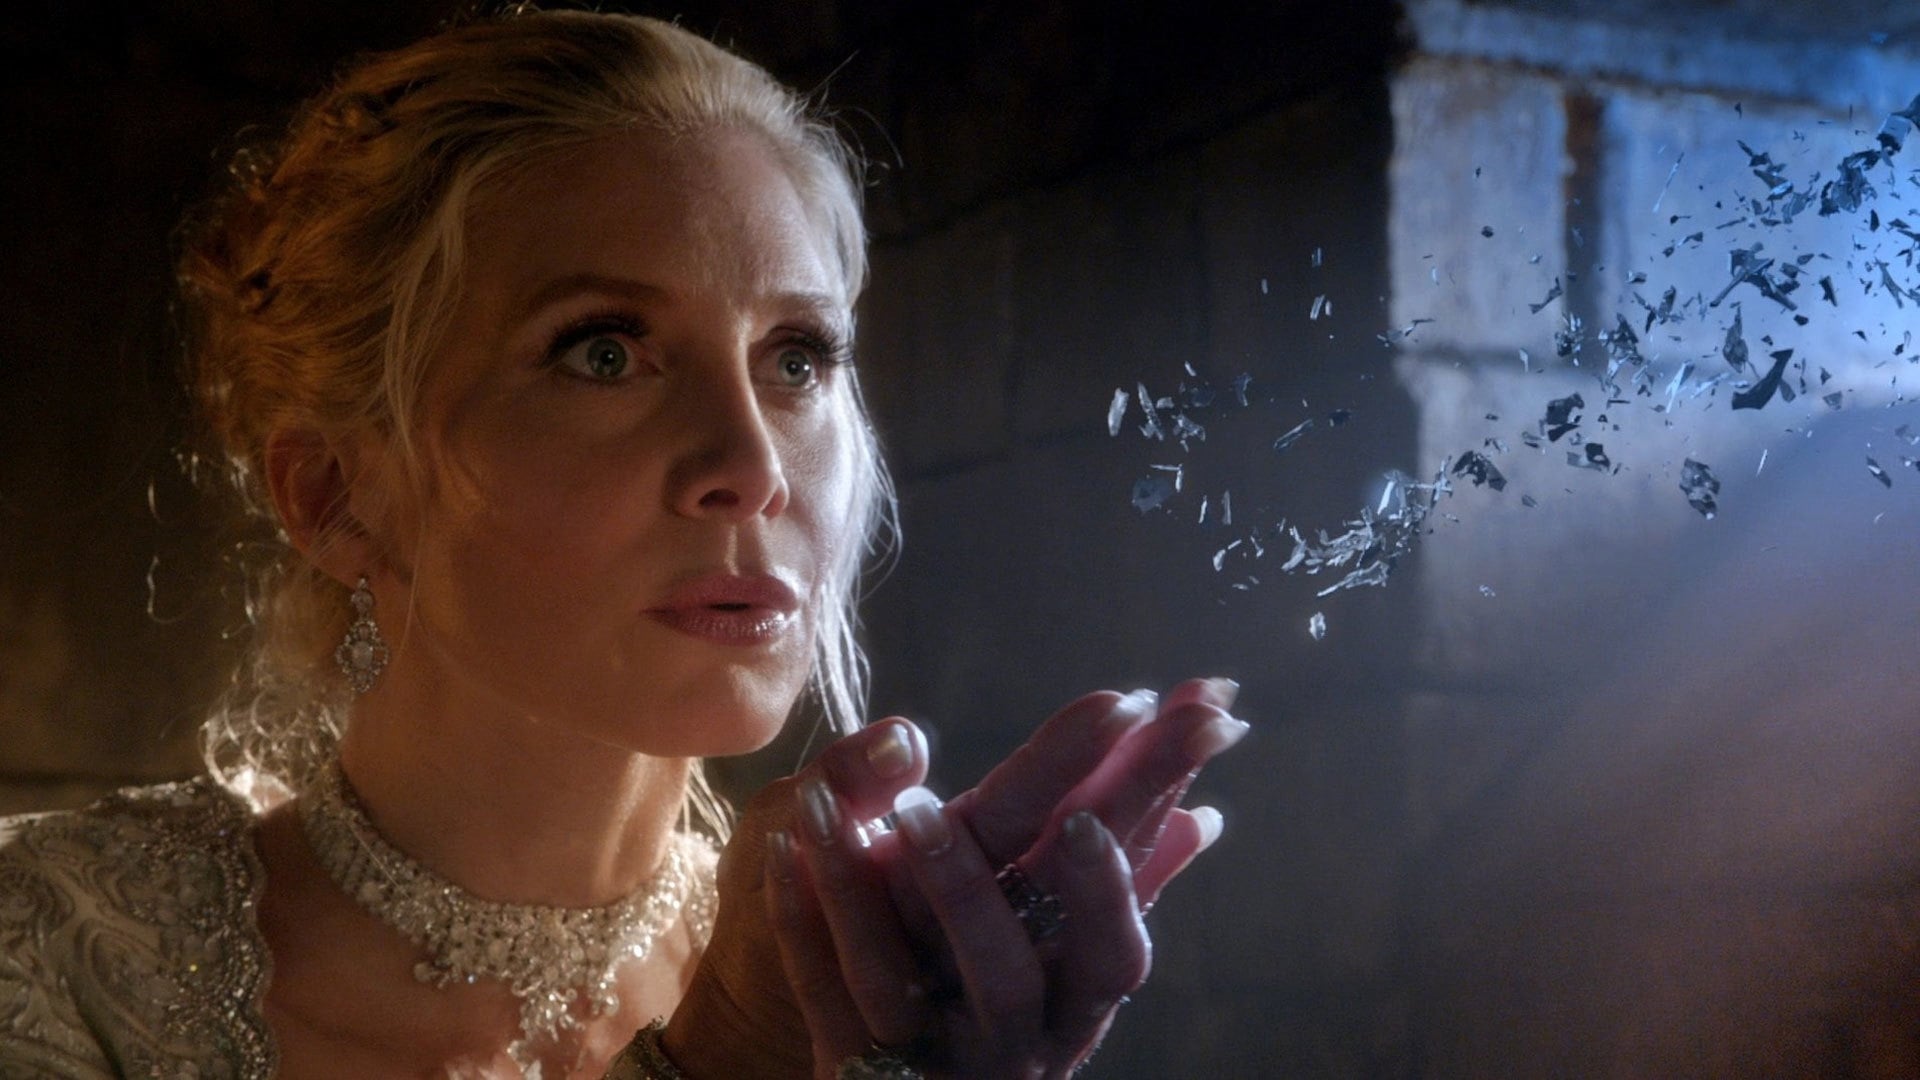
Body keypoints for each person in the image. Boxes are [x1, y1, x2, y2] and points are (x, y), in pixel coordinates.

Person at [0, 9, 1246, 1078]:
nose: (751, 465)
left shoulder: (879, 986)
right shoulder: (51, 947)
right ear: (334, 493)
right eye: (603, 352)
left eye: (797, 359)